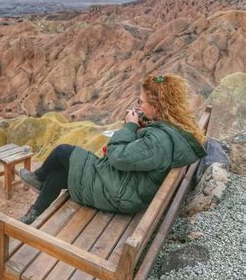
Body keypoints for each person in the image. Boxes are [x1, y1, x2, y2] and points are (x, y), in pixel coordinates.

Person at [18, 74, 207, 224]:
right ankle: (33, 214)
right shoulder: (170, 131)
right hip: (126, 187)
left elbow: (118, 157)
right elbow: (146, 151)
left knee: (63, 152)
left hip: (118, 193)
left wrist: (130, 126)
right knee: (58, 176)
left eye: (141, 102)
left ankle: (38, 179)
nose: (138, 105)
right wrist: (144, 126)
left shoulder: (160, 140)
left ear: (157, 107)